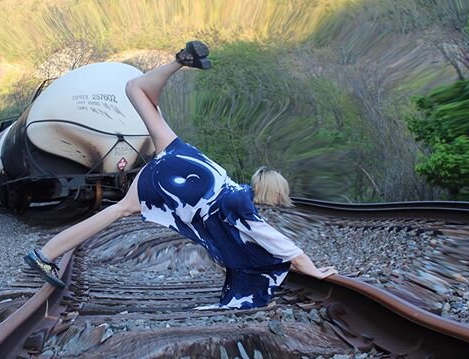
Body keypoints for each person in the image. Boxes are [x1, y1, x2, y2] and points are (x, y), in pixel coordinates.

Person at [24, 41, 337, 309]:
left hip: (184, 157)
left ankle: (179, 61)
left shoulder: (229, 181)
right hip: (178, 184)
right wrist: (312, 269)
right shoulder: (244, 207)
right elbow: (286, 248)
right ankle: (46, 252)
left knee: (135, 90)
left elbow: (134, 88)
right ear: (273, 195)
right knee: (118, 209)